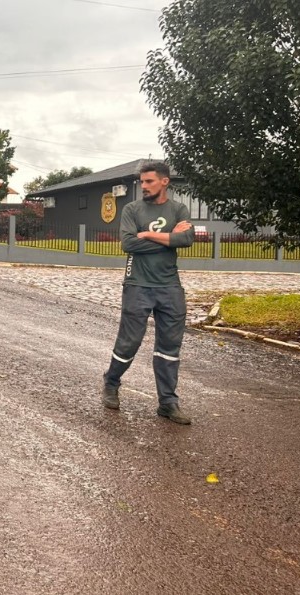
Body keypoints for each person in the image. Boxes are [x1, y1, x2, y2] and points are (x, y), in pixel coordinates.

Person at [102, 161, 195, 424]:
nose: (143, 186)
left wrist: (149, 235)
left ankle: (168, 403)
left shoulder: (178, 208)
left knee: (169, 348)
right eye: (142, 182)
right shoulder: (132, 209)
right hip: (138, 284)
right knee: (129, 342)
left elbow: (187, 239)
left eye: (149, 181)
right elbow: (129, 244)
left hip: (170, 287)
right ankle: (111, 382)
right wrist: (168, 238)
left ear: (165, 181)